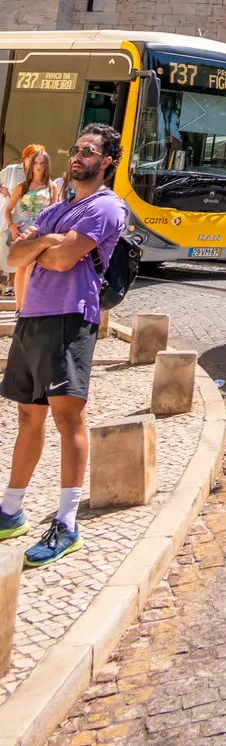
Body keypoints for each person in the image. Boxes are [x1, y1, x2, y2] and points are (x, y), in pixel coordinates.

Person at [0, 123, 127, 568]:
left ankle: (68, 522)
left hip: (71, 316)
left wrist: (43, 245)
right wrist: (43, 243)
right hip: (32, 316)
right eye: (76, 149)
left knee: (67, 416)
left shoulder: (107, 207)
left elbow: (62, 257)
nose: (78, 156)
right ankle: (11, 509)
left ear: (105, 160)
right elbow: (14, 257)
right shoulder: (58, 208)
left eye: (88, 151)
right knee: (27, 416)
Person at [5, 148, 59, 312]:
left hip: (40, 230)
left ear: (47, 165)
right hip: (23, 229)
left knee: (31, 268)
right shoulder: (22, 186)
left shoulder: (51, 187)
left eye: (42, 163)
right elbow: (8, 209)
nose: (39, 166)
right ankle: (18, 307)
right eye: (36, 162)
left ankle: (26, 308)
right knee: (21, 268)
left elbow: (54, 212)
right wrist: (11, 226)